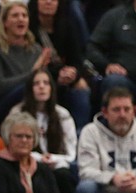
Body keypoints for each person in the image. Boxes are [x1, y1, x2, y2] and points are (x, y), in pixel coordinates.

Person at [9, 68, 77, 193]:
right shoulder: (18, 113)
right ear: (29, 88)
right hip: (27, 164)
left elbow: (72, 153)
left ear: (52, 88)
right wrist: (39, 158)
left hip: (57, 164)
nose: (41, 87)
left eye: (46, 83)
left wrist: (53, 158)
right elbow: (12, 146)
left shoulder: (62, 114)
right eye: (36, 83)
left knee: (64, 176)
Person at [0, 2, 53, 128]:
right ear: (5, 22)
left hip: (28, 104)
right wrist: (32, 73)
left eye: (24, 15)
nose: (21, 19)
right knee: (25, 89)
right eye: (15, 15)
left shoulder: (36, 49)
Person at [86, 0, 136, 106]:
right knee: (114, 81)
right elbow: (92, 47)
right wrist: (107, 65)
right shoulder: (115, 16)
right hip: (125, 81)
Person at [27, 0, 90, 128]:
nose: (49, 2)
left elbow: (77, 59)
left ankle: (79, 133)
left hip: (65, 78)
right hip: (41, 77)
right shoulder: (29, 29)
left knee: (82, 89)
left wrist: (74, 73)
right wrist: (58, 75)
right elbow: (31, 64)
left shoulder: (67, 25)